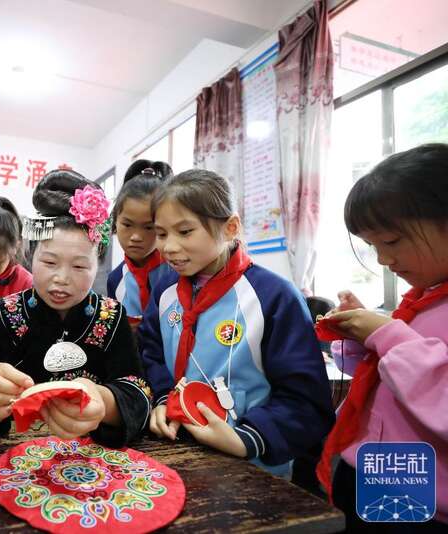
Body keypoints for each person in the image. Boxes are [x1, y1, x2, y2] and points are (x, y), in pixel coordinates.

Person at [141, 169, 333, 476]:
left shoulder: (273, 296)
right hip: (176, 451)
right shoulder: (165, 292)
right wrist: (163, 399)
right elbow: (150, 354)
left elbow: (305, 399)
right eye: (161, 234)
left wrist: (246, 439)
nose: (169, 247)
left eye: (185, 231)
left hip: (251, 463)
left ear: (230, 227)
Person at [0, 170, 152, 448]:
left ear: (97, 266)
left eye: (79, 266)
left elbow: (138, 391)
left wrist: (103, 401)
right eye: (50, 262)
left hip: (92, 457)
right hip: (16, 454)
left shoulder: (111, 317)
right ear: (31, 256)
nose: (62, 278)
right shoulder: (4, 314)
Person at [317, 144, 448, 530]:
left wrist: (387, 336)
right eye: (372, 246)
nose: (383, 260)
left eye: (391, 242)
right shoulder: (423, 299)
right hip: (378, 472)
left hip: (424, 501)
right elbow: (395, 380)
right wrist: (364, 337)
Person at [107, 159, 173, 330]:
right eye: (127, 225)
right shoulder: (115, 280)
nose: (136, 237)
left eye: (149, 227)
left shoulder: (177, 271)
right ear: (115, 221)